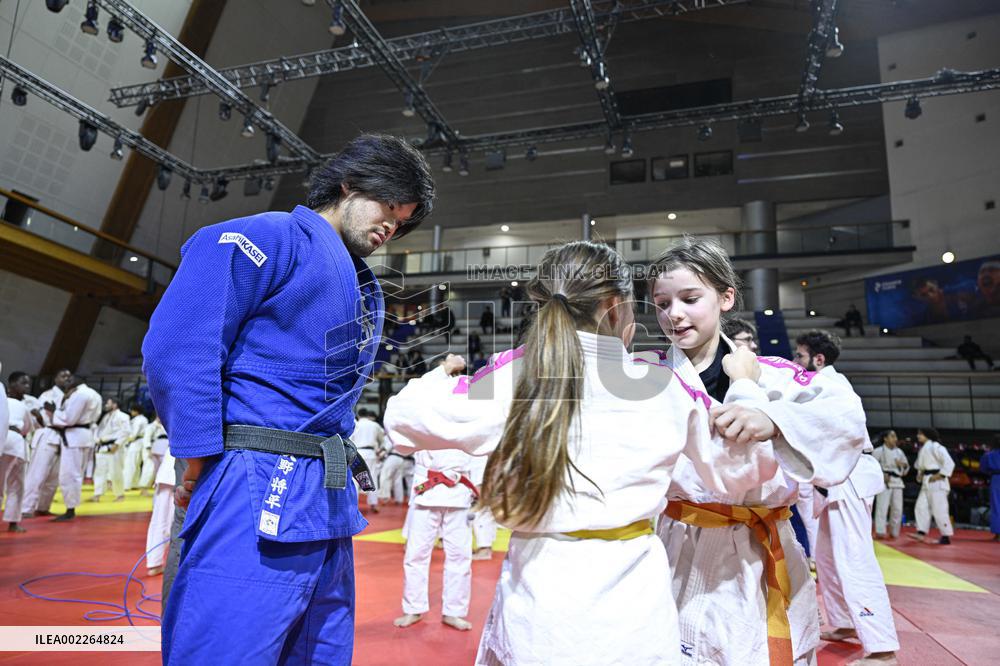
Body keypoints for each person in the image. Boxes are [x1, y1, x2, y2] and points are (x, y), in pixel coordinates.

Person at [386, 240, 779, 665]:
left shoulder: (516, 376)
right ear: (618, 305)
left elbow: (405, 419)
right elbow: (745, 470)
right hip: (634, 600)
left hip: (539, 596)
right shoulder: (663, 385)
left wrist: (442, 375)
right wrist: (745, 389)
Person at [142, 133, 434, 664]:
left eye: (404, 218)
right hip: (255, 476)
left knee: (317, 649)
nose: (392, 224)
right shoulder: (260, 237)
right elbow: (178, 346)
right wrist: (197, 455)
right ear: (349, 185)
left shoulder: (359, 279)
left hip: (325, 489)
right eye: (389, 206)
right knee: (229, 645)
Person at [643, 237, 870, 666]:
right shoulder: (646, 377)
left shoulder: (777, 377)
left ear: (726, 297)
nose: (673, 314)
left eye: (690, 298)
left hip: (758, 551)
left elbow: (847, 419)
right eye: (662, 302)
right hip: (677, 545)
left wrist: (777, 421)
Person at [792, 330, 899, 664]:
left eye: (800, 355)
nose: (796, 361)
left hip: (849, 475)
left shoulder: (833, 385)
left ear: (818, 359)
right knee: (825, 556)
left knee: (854, 558)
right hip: (835, 479)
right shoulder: (821, 386)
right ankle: (843, 623)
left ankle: (882, 648)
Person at [394, 446, 477, 631]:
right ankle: (413, 608)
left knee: (460, 555)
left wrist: (479, 483)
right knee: (416, 554)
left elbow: (480, 448)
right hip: (426, 488)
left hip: (460, 489)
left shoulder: (471, 418)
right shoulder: (423, 417)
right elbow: (402, 442)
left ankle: (454, 611)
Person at [48, 376, 103, 522]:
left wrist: (55, 412)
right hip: (84, 436)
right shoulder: (94, 394)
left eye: (69, 380)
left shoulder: (79, 394)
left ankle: (70, 509)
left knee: (69, 474)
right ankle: (71, 507)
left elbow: (69, 419)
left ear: (75, 382)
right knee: (76, 474)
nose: (66, 383)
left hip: (74, 436)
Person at [21, 369, 72, 518]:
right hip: (48, 434)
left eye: (69, 376)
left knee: (54, 477)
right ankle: (26, 507)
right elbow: (45, 416)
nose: (67, 379)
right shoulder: (48, 395)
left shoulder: (71, 396)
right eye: (63, 376)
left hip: (63, 438)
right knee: (37, 473)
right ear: (55, 379)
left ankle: (43, 506)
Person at [909, 426, 955, 545]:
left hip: (937, 482)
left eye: (921, 434)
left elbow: (949, 463)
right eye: (918, 434)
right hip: (927, 481)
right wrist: (920, 475)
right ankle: (921, 532)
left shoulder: (936, 446)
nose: (918, 436)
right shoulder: (923, 448)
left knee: (939, 509)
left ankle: (946, 536)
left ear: (928, 435)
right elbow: (920, 466)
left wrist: (941, 475)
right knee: (920, 506)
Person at [3, 377, 33, 532]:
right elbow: (27, 428)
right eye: (23, 383)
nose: (27, 387)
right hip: (16, 442)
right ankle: (13, 523)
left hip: (7, 441)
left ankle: (14, 522)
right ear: (11, 386)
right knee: (16, 485)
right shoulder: (22, 405)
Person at [91, 397, 131, 503]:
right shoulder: (105, 417)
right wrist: (97, 440)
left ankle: (120, 494)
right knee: (99, 472)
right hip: (102, 447)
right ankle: (97, 494)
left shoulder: (123, 416)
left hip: (114, 447)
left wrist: (117, 444)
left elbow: (126, 431)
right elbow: (98, 431)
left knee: (115, 472)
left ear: (115, 404)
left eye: (108, 403)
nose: (106, 405)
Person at [872, 430, 910, 539]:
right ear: (885, 438)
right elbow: (872, 467)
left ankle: (894, 532)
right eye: (892, 436)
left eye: (895, 436)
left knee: (897, 509)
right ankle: (880, 531)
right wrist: (881, 475)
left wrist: (902, 465)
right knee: (882, 507)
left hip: (897, 482)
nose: (895, 439)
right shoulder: (878, 451)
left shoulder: (899, 452)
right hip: (884, 483)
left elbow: (906, 468)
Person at [146, 444, 176, 577]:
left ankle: (154, 562)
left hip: (168, 469)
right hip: (181, 467)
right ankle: (156, 563)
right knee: (171, 521)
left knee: (160, 520)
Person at [352, 409, 385, 513]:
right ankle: (373, 504)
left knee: (355, 479)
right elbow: (383, 440)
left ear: (358, 415)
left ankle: (353, 505)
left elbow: (350, 439)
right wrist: (381, 449)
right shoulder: (375, 425)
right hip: (371, 453)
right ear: (368, 415)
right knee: (372, 477)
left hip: (356, 452)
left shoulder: (355, 424)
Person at [123, 404, 149, 491]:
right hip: (141, 442)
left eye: (132, 410)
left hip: (136, 442)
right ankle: (134, 483)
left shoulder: (138, 420)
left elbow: (134, 434)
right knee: (137, 464)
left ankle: (126, 485)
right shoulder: (144, 419)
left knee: (130, 463)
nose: (131, 412)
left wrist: (125, 440)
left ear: (136, 411)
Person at [978, 441, 1000, 541]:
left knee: (996, 506)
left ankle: (998, 533)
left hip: (996, 479)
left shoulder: (989, 455)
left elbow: (983, 469)